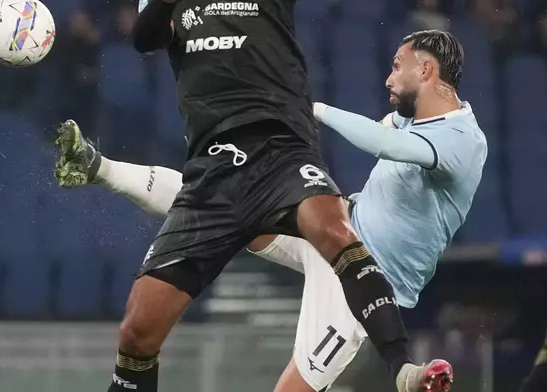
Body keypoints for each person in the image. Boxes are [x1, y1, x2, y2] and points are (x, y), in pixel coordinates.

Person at [56, 28, 480, 391]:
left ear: (425, 70)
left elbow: (389, 146)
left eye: (397, 65)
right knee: (227, 196)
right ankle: (101, 167)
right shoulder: (411, 115)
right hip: (338, 229)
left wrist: (316, 110)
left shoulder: (464, 140)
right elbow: (388, 130)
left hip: (366, 278)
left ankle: (404, 373)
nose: (389, 77)